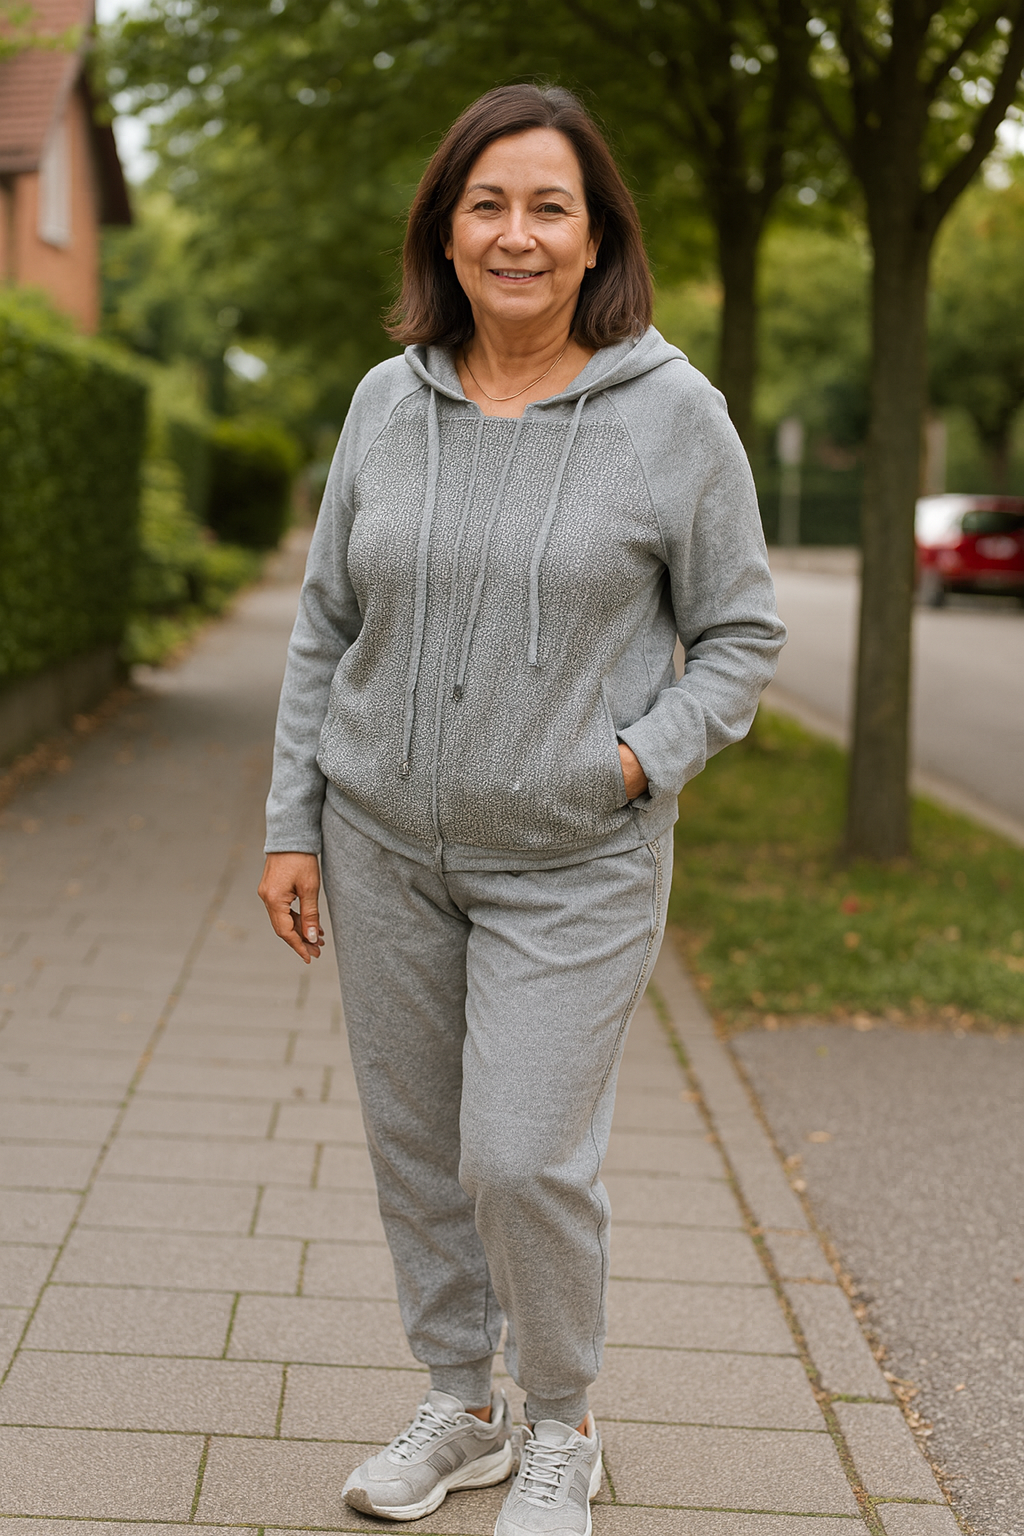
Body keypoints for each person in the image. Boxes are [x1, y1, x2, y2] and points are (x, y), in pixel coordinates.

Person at [259, 82, 785, 1536]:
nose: (516, 234)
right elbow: (324, 623)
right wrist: (289, 824)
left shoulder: (673, 415)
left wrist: (631, 762)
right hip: (381, 847)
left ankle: (565, 1423)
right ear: (446, 226)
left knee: (520, 1156)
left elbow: (742, 636)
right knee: (419, 1149)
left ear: (598, 232)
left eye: (549, 205)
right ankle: (463, 1407)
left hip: (573, 859)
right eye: (487, 203)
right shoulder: (387, 401)